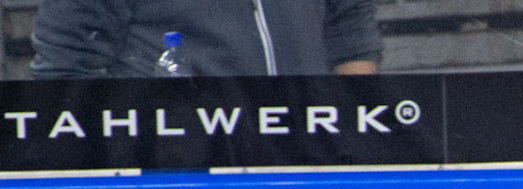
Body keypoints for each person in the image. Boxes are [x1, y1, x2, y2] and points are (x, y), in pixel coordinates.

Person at [32, 0, 381, 79]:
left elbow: (348, 22)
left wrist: (348, 128)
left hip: (306, 160)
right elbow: (66, 67)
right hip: (170, 176)